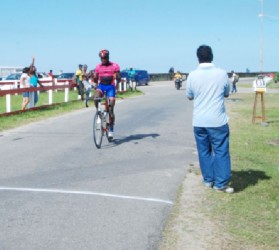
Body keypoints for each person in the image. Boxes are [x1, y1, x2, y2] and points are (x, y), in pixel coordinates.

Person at [186, 45, 233, 193]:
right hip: (217, 120)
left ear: (198, 58)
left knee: (204, 150)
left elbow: (189, 95)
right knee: (221, 150)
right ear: (212, 56)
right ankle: (220, 183)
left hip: (199, 120)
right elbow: (227, 93)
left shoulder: (192, 75)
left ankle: (208, 179)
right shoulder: (221, 74)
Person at [93, 49, 120, 139]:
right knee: (96, 97)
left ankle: (111, 128)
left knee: (111, 109)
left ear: (108, 57)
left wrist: (118, 80)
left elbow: (118, 76)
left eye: (105, 58)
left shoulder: (114, 65)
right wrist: (94, 82)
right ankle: (99, 113)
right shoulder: (98, 67)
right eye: (102, 58)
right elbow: (96, 79)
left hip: (110, 87)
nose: (103, 60)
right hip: (101, 86)